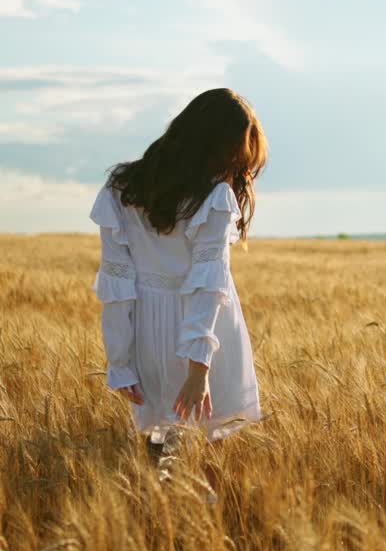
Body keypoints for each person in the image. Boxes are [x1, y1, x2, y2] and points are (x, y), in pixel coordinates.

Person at [88, 88, 267, 492]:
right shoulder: (216, 195)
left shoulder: (121, 187)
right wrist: (198, 368)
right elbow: (208, 285)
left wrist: (121, 360)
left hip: (149, 334)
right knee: (212, 458)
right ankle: (203, 533)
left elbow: (117, 284)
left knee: (161, 456)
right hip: (205, 334)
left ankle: (163, 528)